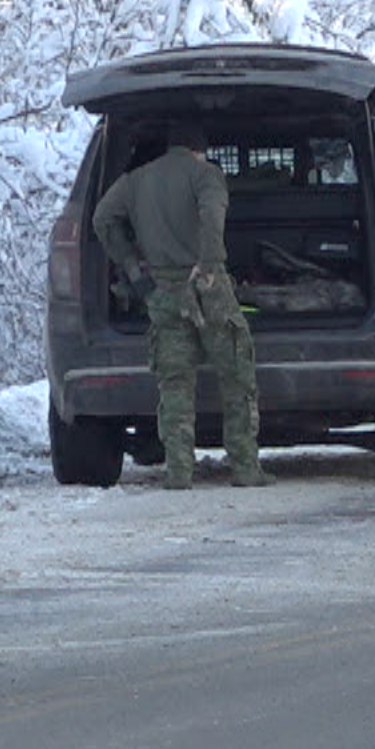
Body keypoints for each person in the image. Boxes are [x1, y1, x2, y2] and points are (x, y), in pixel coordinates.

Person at [92, 121, 266, 490]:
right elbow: (212, 215)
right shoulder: (206, 175)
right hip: (209, 288)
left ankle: (179, 472)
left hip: (163, 291)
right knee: (236, 375)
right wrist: (208, 261)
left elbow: (101, 218)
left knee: (174, 383)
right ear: (197, 151)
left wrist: (132, 269)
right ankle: (245, 469)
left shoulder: (135, 180)